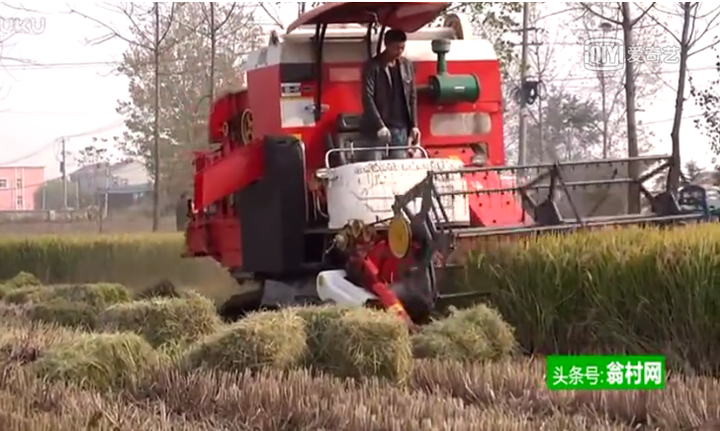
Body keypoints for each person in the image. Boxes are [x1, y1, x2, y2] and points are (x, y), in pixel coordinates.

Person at [359, 29, 420, 160]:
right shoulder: (373, 66)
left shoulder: (407, 65)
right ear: (387, 45)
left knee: (398, 167)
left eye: (402, 48)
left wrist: (414, 125)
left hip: (400, 127)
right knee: (373, 165)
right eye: (396, 48)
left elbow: (412, 96)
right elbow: (367, 97)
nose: (399, 52)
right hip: (377, 128)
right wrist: (379, 125)